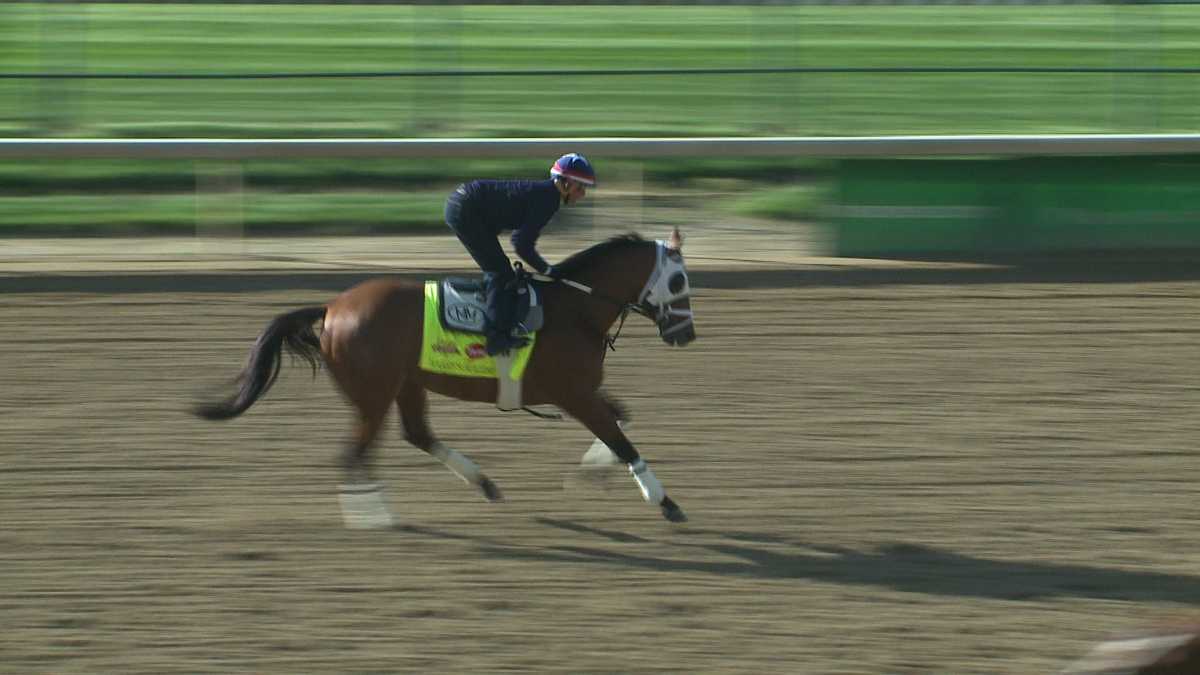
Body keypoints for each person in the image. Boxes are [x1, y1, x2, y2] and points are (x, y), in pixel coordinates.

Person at [444, 152, 596, 355]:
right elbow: (521, 243)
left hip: (465, 204)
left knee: (500, 271)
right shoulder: (548, 200)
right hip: (465, 209)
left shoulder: (547, 195)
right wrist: (548, 270)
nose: (583, 194)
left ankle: (492, 311)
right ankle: (496, 339)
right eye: (580, 187)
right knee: (500, 272)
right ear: (566, 183)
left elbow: (519, 239)